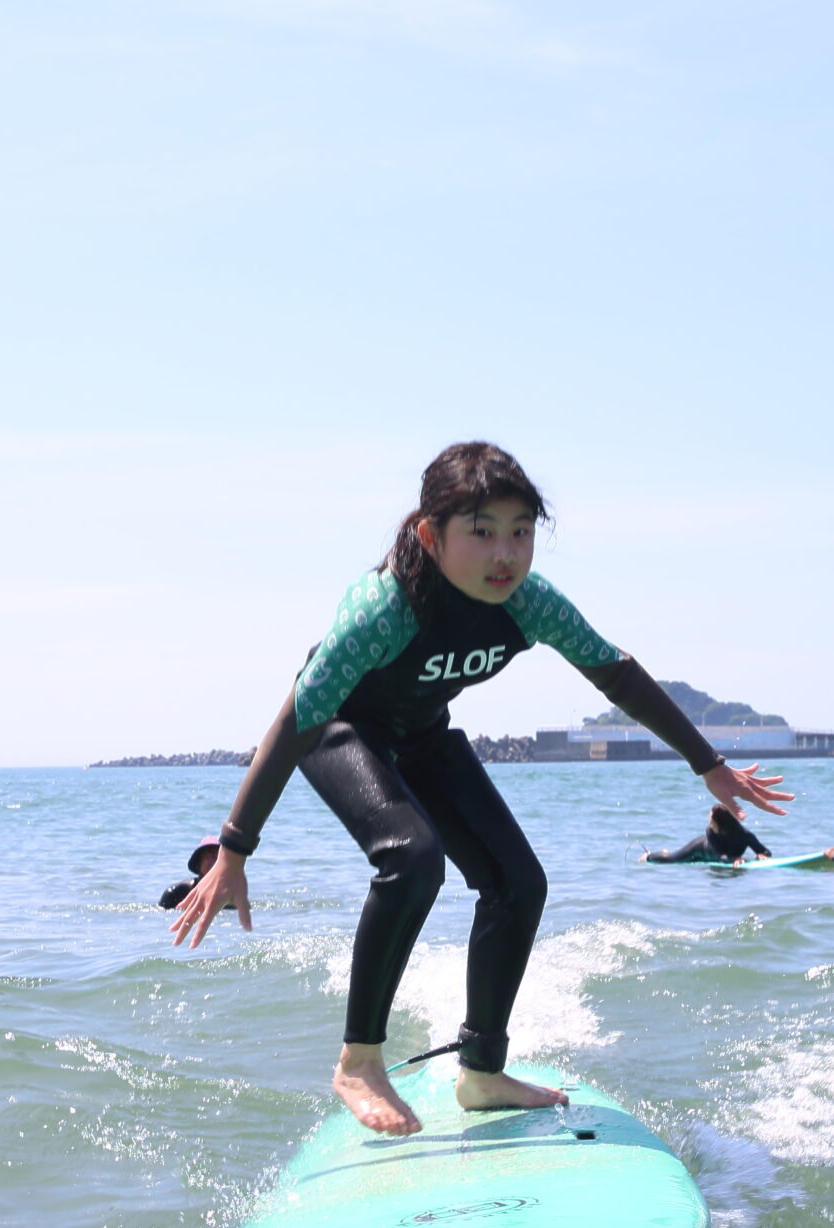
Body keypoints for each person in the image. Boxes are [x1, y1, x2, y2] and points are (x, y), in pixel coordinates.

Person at [169, 441, 792, 1136]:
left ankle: (483, 1072)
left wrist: (707, 762)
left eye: (521, 531)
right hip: (336, 727)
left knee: (518, 882)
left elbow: (615, 673)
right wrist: (235, 848)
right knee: (412, 858)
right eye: (483, 531)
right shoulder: (383, 609)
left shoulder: (528, 604)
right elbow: (294, 720)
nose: (506, 554)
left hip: (422, 732)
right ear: (429, 535)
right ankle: (358, 1061)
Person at [642, 805, 771, 864]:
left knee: (696, 862)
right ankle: (648, 856)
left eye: (711, 820)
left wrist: (762, 854)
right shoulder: (710, 832)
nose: (709, 823)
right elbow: (721, 856)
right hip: (699, 848)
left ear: (720, 823)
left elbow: (765, 851)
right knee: (672, 859)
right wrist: (735, 859)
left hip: (709, 858)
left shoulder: (745, 835)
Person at [157, 838, 224, 910]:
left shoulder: (231, 894)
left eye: (220, 857)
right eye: (211, 856)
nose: (216, 861)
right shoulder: (176, 893)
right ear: (198, 863)